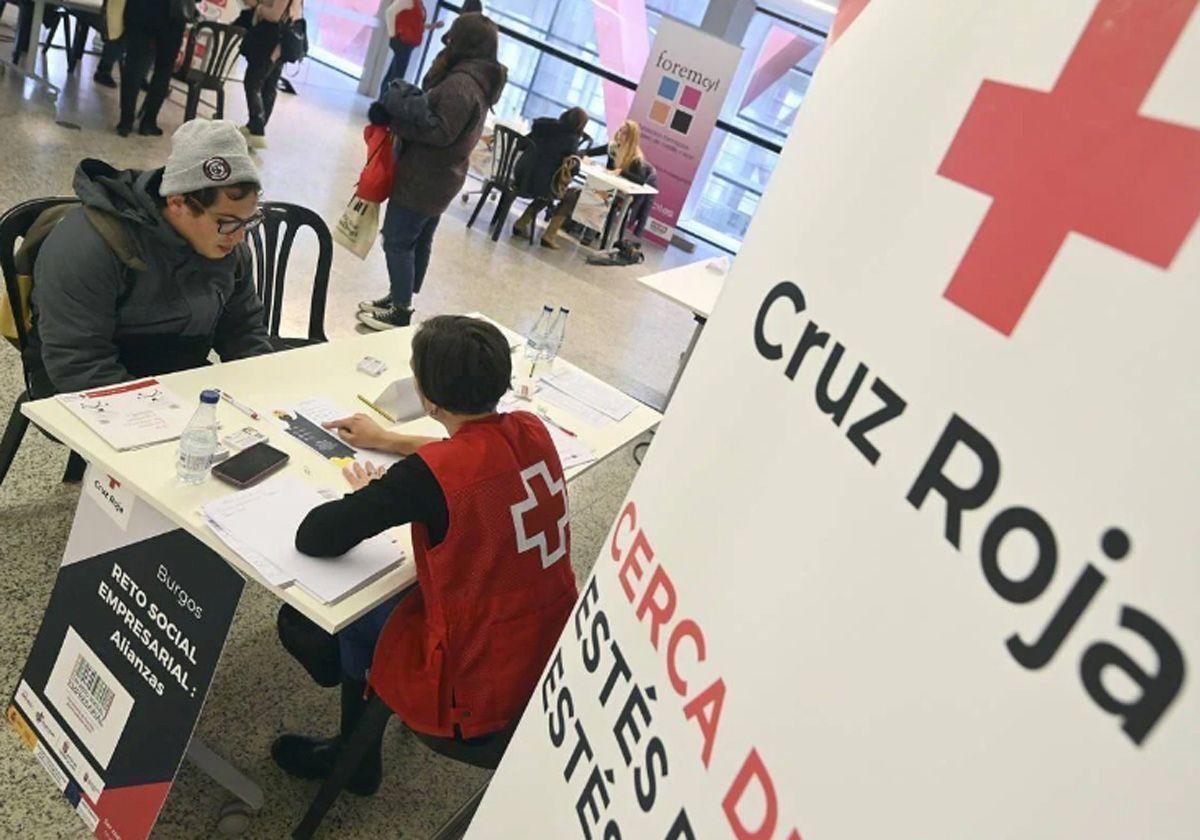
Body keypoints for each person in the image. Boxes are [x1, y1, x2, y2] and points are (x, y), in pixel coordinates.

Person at [271, 315, 578, 796]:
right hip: (547, 649)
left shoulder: (428, 477)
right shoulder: (531, 428)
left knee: (320, 618)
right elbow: (474, 446)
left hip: (472, 684)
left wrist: (388, 488)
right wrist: (389, 441)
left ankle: (355, 757)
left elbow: (317, 536)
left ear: (427, 396)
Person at [26, 120, 274, 397]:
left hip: (174, 376)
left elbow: (244, 330)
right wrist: (161, 414)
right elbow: (78, 362)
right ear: (177, 202)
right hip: (80, 383)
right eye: (227, 222)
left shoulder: (227, 245)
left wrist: (262, 391)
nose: (240, 237)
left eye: (248, 222)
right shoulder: (90, 243)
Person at [357, 12, 507, 330]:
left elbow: (440, 132)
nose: (447, 40)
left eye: (453, 35)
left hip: (425, 177)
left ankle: (400, 309)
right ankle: (399, 295)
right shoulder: (478, 79)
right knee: (417, 239)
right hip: (442, 177)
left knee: (398, 240)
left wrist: (395, 122)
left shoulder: (461, 84)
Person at [540, 118, 653, 249]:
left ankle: (571, 234)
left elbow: (640, 181)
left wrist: (620, 172)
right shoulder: (613, 147)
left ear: (631, 137)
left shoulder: (635, 158)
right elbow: (589, 152)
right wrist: (581, 156)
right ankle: (550, 235)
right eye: (620, 131)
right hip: (601, 187)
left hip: (617, 194)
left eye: (624, 133)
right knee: (571, 193)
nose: (620, 135)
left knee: (580, 195)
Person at [508, 106, 589, 240]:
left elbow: (521, 144)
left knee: (546, 187)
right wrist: (578, 158)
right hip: (537, 184)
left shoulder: (542, 126)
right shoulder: (571, 139)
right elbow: (573, 168)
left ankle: (521, 223)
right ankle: (540, 232)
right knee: (560, 194)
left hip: (520, 175)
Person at [116, 0, 193, 136]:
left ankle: (125, 122)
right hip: (172, 18)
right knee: (163, 71)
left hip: (141, 12)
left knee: (133, 67)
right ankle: (148, 122)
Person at [239, 0, 302, 149]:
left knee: (253, 82)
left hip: (271, 42)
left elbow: (275, 15)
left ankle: (257, 128)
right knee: (269, 86)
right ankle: (255, 128)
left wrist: (259, 8)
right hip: (282, 43)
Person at [378, 0, 444, 99]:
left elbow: (416, 23)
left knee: (393, 74)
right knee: (397, 76)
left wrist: (433, 26)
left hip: (409, 44)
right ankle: (386, 102)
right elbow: (389, 12)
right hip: (403, 43)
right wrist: (393, 36)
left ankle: (383, 100)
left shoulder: (418, 3)